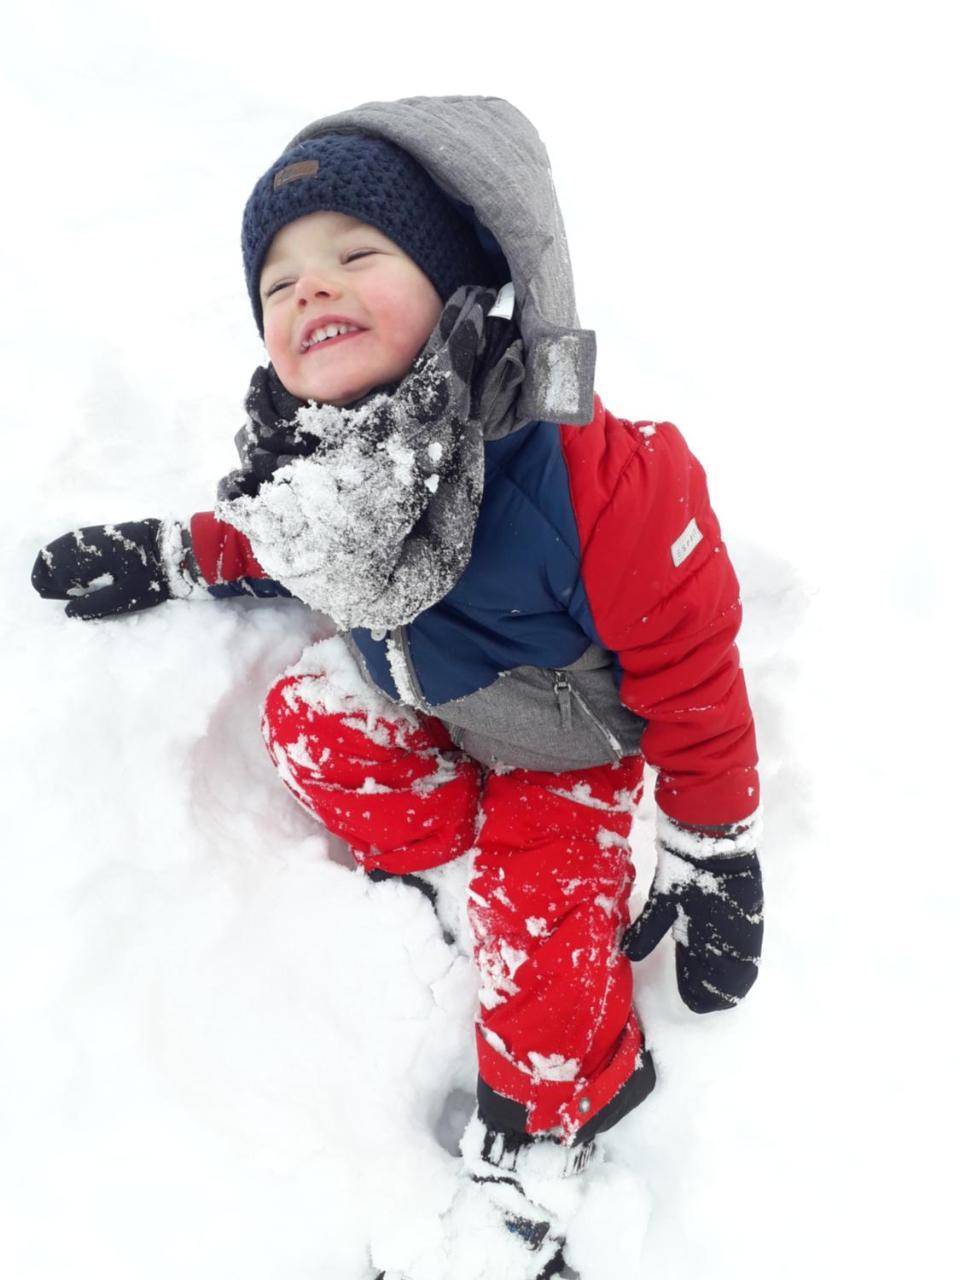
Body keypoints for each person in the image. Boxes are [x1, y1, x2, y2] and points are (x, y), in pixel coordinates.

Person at [31, 96, 764, 1280]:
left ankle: (547, 1129)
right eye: (279, 284)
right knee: (308, 723)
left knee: (539, 922)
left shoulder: (581, 470)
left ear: (456, 283)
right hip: (443, 706)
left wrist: (714, 841)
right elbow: (278, 540)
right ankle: (456, 858)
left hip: (570, 744)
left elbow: (694, 659)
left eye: (358, 255)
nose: (311, 290)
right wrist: (170, 553)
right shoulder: (327, 458)